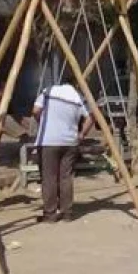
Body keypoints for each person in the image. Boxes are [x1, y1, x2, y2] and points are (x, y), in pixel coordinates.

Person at [33, 80, 92, 223]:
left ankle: (50, 214)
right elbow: (90, 118)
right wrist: (82, 134)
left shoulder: (48, 91)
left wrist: (42, 122)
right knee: (66, 177)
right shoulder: (78, 97)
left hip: (49, 140)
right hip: (70, 142)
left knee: (49, 178)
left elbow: (35, 110)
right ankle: (67, 213)